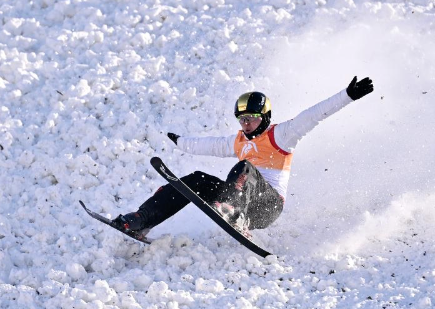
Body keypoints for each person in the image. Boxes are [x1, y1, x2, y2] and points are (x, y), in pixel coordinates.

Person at [112, 76, 374, 237]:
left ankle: (235, 213)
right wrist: (181, 142)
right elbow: (210, 145)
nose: (245, 124)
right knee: (194, 179)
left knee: (245, 167)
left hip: (266, 208)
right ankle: (141, 219)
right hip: (234, 199)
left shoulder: (282, 135)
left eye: (251, 119)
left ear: (265, 118)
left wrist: (347, 95)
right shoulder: (238, 141)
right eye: (242, 119)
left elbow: (314, 114)